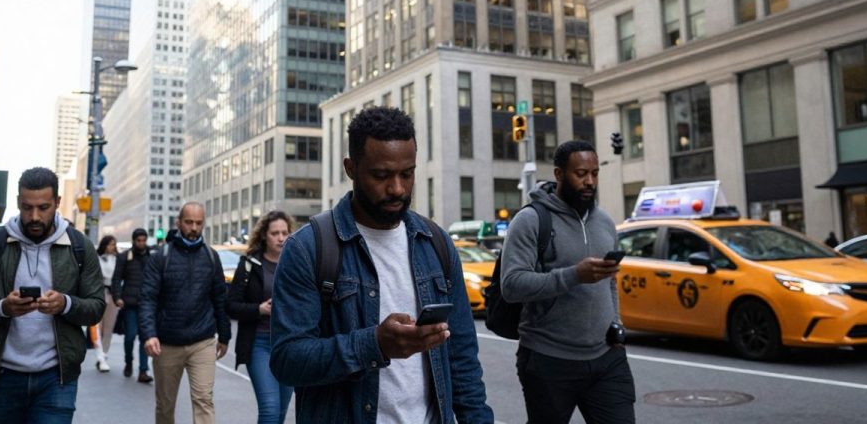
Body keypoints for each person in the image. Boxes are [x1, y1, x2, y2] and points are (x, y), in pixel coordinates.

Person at [271, 106, 493, 423]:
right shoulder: (308, 248)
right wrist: (373, 344)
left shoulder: (436, 243)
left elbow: (462, 359)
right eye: (381, 175)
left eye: (407, 174)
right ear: (351, 168)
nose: (397, 188)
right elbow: (287, 360)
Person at [501, 140, 636, 423]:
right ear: (559, 174)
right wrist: (574, 275)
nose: (590, 182)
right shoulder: (530, 220)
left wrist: (616, 324)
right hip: (548, 359)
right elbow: (512, 285)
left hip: (607, 359)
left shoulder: (605, 221)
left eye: (595, 174)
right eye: (581, 173)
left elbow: (610, 282)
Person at [0, 167, 105, 424]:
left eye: (43, 207)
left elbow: (96, 307)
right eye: (27, 207)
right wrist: (3, 307)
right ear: (18, 202)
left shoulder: (80, 247)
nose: (34, 216)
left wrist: (65, 304)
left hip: (56, 378)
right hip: (1, 376)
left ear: (57, 202)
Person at [139, 202, 231, 424]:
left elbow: (220, 298)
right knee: (165, 405)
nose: (194, 228)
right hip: (167, 343)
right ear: (178, 223)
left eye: (198, 223)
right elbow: (148, 298)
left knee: (204, 399)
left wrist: (225, 335)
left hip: (202, 341)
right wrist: (149, 334)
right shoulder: (161, 256)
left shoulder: (211, 257)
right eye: (189, 222)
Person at [227, 211, 295, 424]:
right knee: (270, 408)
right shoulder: (249, 264)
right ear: (264, 235)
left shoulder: (297, 262)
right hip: (259, 343)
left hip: (288, 343)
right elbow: (231, 306)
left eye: (284, 232)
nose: (281, 238)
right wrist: (259, 309)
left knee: (281, 411)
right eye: (275, 233)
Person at [112, 228, 153, 383]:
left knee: (145, 337)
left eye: (144, 240)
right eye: (139, 240)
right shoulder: (124, 257)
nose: (141, 243)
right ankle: (128, 361)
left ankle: (143, 370)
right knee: (130, 336)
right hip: (129, 303)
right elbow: (116, 278)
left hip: (147, 303)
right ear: (134, 241)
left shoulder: (151, 257)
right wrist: (117, 297)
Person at [93, 234, 120, 373]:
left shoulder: (118, 259)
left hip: (113, 295)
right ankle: (100, 355)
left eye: (114, 244)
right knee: (98, 327)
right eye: (110, 244)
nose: (112, 247)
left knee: (109, 328)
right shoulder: (97, 258)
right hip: (100, 293)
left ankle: (103, 355)